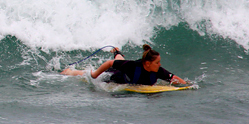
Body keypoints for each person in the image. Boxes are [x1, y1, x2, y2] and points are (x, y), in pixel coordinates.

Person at [61, 45, 189, 86]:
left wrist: (187, 85)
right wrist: (94, 75)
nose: (160, 65)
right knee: (87, 74)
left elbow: (174, 78)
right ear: (148, 64)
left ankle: (117, 52)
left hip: (125, 70)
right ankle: (69, 71)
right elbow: (110, 63)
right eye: (157, 62)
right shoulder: (134, 66)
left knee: (122, 61)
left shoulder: (158, 70)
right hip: (114, 76)